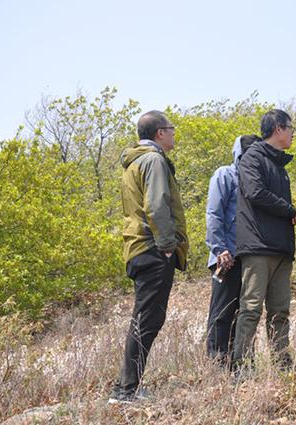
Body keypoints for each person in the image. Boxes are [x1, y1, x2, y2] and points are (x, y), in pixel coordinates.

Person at [109, 110, 188, 403]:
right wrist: (167, 245)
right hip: (152, 248)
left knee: (145, 318)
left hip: (138, 247)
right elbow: (156, 206)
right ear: (159, 134)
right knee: (147, 319)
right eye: (171, 129)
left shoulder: (134, 162)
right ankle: (125, 391)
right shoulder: (154, 160)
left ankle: (127, 387)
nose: (174, 133)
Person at [231, 109, 296, 374]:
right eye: (290, 128)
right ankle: (241, 369)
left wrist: (290, 217)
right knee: (251, 309)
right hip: (258, 248)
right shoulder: (252, 157)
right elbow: (255, 192)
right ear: (278, 129)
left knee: (280, 312)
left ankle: (283, 367)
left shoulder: (278, 164)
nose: (292, 133)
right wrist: (290, 211)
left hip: (281, 248)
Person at [205, 135, 261, 366]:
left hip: (251, 256)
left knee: (246, 312)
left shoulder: (257, 179)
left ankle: (242, 363)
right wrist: (219, 249)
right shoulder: (225, 175)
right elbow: (214, 213)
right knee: (222, 312)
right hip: (226, 255)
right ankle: (217, 365)